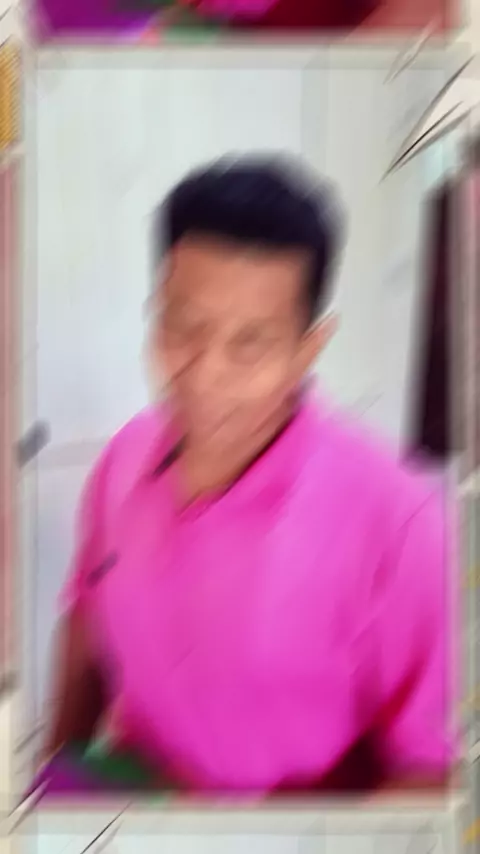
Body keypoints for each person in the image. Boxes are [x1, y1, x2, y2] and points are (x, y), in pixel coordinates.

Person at [43, 155, 456, 794]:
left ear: (307, 349)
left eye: (250, 343)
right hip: (135, 798)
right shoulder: (122, 460)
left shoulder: (400, 522)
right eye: (184, 326)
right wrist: (52, 781)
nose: (205, 374)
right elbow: (85, 624)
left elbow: (430, 771)